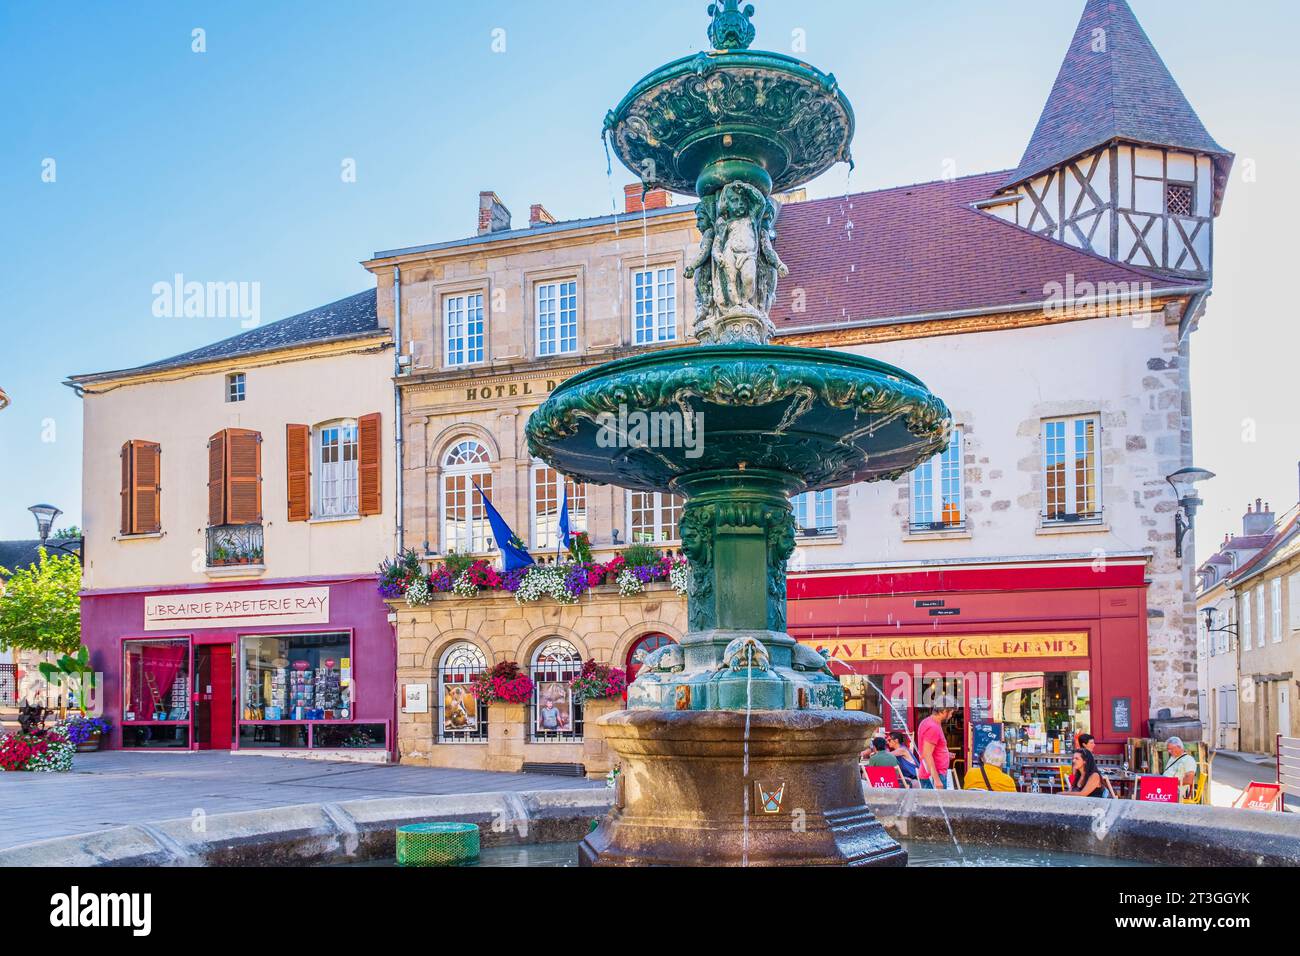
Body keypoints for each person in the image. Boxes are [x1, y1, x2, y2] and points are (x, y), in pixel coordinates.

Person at [917, 697, 957, 789]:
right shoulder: (933, 727)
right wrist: (937, 780)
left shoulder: (929, 722)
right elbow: (927, 754)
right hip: (934, 777)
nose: (951, 715)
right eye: (951, 712)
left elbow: (929, 749)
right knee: (937, 803)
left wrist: (945, 754)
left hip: (932, 775)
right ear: (943, 711)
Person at [1163, 736, 1198, 801]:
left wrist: (1171, 782)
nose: (1169, 751)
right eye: (1168, 749)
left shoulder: (1188, 760)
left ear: (1179, 747)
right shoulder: (1173, 757)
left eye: (1171, 749)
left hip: (1175, 792)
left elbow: (1189, 780)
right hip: (1164, 788)